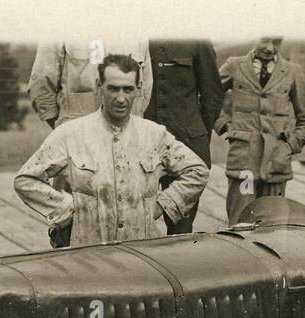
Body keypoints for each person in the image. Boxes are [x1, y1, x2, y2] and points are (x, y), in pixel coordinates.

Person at [15, 55, 208, 246]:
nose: (121, 98)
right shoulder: (70, 134)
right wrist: (68, 209)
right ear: (99, 86)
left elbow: (198, 171)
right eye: (113, 89)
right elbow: (26, 180)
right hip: (87, 252)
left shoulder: (154, 135)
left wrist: (162, 206)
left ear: (138, 89)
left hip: (143, 251)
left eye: (128, 89)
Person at [215, 37, 305, 223]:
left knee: (274, 224)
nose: (270, 48)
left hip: (276, 164)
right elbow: (207, 97)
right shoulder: (234, 66)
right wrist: (224, 125)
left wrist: (290, 146)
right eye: (265, 40)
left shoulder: (293, 71)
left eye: (276, 42)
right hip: (243, 165)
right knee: (241, 221)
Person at [144, 40, 223, 233]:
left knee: (180, 224)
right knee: (138, 218)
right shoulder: (141, 40)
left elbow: (212, 95)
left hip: (187, 144)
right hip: (145, 145)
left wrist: (196, 132)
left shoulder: (197, 41)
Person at [28, 39, 152, 127]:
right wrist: (64, 128)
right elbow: (41, 86)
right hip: (77, 138)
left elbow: (145, 91)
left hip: (128, 139)